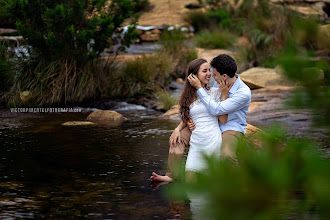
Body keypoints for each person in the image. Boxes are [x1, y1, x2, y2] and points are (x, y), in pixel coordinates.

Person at [150, 54, 251, 182]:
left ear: (224, 76)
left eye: (213, 73)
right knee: (177, 138)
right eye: (207, 71)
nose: (211, 75)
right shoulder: (217, 83)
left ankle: (236, 185)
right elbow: (192, 113)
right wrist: (178, 128)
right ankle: (171, 176)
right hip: (204, 125)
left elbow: (217, 110)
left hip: (230, 126)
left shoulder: (243, 93)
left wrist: (204, 89)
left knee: (227, 155)